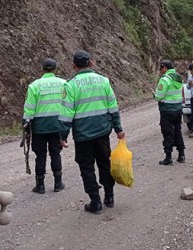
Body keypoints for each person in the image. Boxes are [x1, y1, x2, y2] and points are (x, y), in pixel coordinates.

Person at [58, 50, 125, 214]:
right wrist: (118, 128)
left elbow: (66, 113)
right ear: (92, 63)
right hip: (103, 132)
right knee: (104, 163)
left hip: (82, 135)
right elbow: (113, 108)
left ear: (74, 66)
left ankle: (95, 202)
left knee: (86, 167)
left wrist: (63, 135)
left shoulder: (71, 85)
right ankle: (109, 197)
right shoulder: (103, 81)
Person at [23, 58, 66, 194]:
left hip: (39, 126)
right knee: (55, 152)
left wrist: (25, 123)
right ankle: (58, 183)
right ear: (55, 69)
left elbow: (29, 108)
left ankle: (40, 186)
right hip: (57, 124)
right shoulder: (64, 84)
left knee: (40, 155)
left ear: (42, 69)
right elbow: (68, 104)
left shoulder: (34, 86)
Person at [154, 60, 186, 165]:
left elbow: (159, 96)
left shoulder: (165, 79)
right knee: (177, 131)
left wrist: (154, 95)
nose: (160, 71)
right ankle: (181, 154)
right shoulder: (178, 77)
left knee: (168, 133)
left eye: (161, 69)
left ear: (164, 68)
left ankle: (168, 157)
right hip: (178, 109)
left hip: (167, 110)